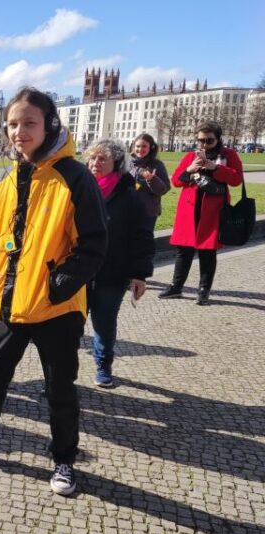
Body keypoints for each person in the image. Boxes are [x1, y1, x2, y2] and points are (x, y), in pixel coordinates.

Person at [0, 87, 107, 497]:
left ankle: (64, 458)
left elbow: (94, 244)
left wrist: (56, 286)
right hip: (9, 299)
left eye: (29, 123)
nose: (19, 131)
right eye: (13, 123)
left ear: (49, 125)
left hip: (55, 307)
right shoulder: (5, 177)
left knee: (59, 387)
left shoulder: (74, 177)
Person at [84, 139, 154, 388]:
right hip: (77, 272)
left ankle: (103, 365)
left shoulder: (128, 195)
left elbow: (142, 236)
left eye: (102, 159)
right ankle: (61, 372)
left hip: (111, 273)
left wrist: (139, 274)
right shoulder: (79, 188)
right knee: (68, 326)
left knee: (104, 323)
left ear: (117, 163)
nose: (94, 163)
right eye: (92, 158)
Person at [159, 121, 243, 305]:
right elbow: (177, 181)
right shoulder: (191, 155)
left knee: (207, 251)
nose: (204, 144)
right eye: (200, 140)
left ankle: (203, 290)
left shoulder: (228, 155)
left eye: (209, 140)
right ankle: (176, 286)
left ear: (218, 138)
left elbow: (237, 179)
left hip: (213, 210)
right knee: (183, 250)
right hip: (189, 208)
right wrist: (190, 169)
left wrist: (216, 168)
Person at [128, 133, 170, 232]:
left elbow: (164, 189)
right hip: (128, 209)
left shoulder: (157, 165)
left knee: (144, 241)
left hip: (148, 212)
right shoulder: (126, 162)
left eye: (144, 146)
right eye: (138, 146)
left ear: (150, 147)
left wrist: (152, 179)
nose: (140, 149)